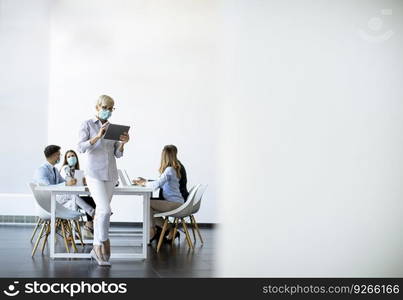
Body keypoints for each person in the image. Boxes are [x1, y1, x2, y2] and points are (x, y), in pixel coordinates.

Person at [78, 95, 130, 266]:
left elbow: (117, 154)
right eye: (106, 107)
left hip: (111, 174)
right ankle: (103, 242)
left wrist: (123, 143)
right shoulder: (87, 124)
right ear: (98, 107)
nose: (108, 110)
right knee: (105, 210)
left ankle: (95, 249)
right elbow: (81, 147)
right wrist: (98, 136)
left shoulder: (113, 128)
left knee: (101, 211)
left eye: (111, 108)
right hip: (94, 173)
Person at [133, 145, 184, 244]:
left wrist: (143, 183)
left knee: (147, 204)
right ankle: (169, 229)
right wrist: (146, 181)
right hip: (177, 202)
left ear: (164, 156)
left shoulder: (169, 170)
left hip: (174, 204)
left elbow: (157, 185)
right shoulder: (173, 169)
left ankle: (152, 231)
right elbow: (161, 182)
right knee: (150, 210)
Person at [60, 150, 96, 234]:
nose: (71, 158)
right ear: (66, 159)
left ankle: (89, 224)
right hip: (64, 198)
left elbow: (78, 184)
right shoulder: (65, 168)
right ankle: (93, 213)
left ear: (76, 157)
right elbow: (68, 178)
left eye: (73, 156)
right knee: (74, 197)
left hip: (74, 197)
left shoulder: (77, 171)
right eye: (68, 157)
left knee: (90, 199)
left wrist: (84, 181)